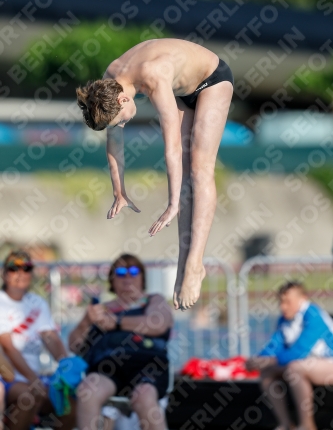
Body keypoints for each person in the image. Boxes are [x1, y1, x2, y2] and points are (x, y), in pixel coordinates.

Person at [76, 38, 234, 310]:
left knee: (198, 168)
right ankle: (185, 264)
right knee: (185, 178)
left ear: (123, 98)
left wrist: (172, 204)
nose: (123, 124)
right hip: (184, 87)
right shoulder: (108, 84)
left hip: (212, 80)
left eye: (122, 119)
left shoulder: (153, 74)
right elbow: (114, 142)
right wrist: (119, 191)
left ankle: (196, 265)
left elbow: (171, 147)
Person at [69, 253, 173, 430]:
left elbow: (158, 323)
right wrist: (86, 321)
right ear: (112, 279)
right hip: (108, 368)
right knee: (87, 390)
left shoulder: (153, 300)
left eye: (133, 271)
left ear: (142, 277)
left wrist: (117, 323)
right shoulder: (100, 310)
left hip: (147, 363)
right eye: (121, 271)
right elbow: (74, 346)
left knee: (145, 395)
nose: (127, 277)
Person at [0, 250, 76, 430]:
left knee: (70, 403)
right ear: (4, 273)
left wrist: (67, 366)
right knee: (29, 396)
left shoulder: (38, 303)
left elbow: (50, 338)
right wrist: (34, 380)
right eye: (14, 268)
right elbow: (9, 348)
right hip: (7, 377)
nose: (20, 273)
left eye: (26, 268)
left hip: (33, 376)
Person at [246, 281, 333, 430]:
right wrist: (258, 359)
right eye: (280, 302)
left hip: (328, 362)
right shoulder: (284, 319)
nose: (283, 307)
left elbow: (300, 351)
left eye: (287, 302)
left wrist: (271, 360)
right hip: (309, 365)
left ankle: (307, 426)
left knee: (294, 368)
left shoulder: (313, 314)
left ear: (302, 299)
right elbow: (275, 345)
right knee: (267, 373)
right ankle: (286, 424)